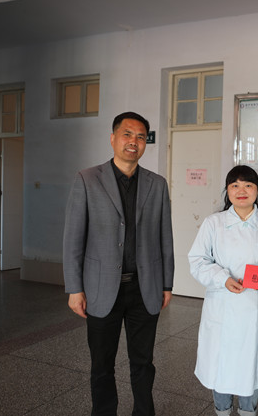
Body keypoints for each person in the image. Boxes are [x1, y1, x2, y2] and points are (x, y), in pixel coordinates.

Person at [63, 111, 174, 416]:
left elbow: (165, 237)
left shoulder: (157, 184)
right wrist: (74, 288)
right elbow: (73, 238)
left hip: (144, 287)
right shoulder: (87, 179)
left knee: (143, 362)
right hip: (100, 288)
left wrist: (167, 284)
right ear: (113, 139)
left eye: (140, 137)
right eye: (127, 134)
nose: (133, 141)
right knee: (101, 365)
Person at [188, 165, 258, 416]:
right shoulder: (213, 223)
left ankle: (248, 411)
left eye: (248, 185)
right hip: (223, 307)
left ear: (257, 190)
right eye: (235, 185)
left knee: (253, 366)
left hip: (256, 308)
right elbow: (198, 260)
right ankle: (222, 411)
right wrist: (223, 279)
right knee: (221, 366)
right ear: (227, 190)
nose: (242, 191)